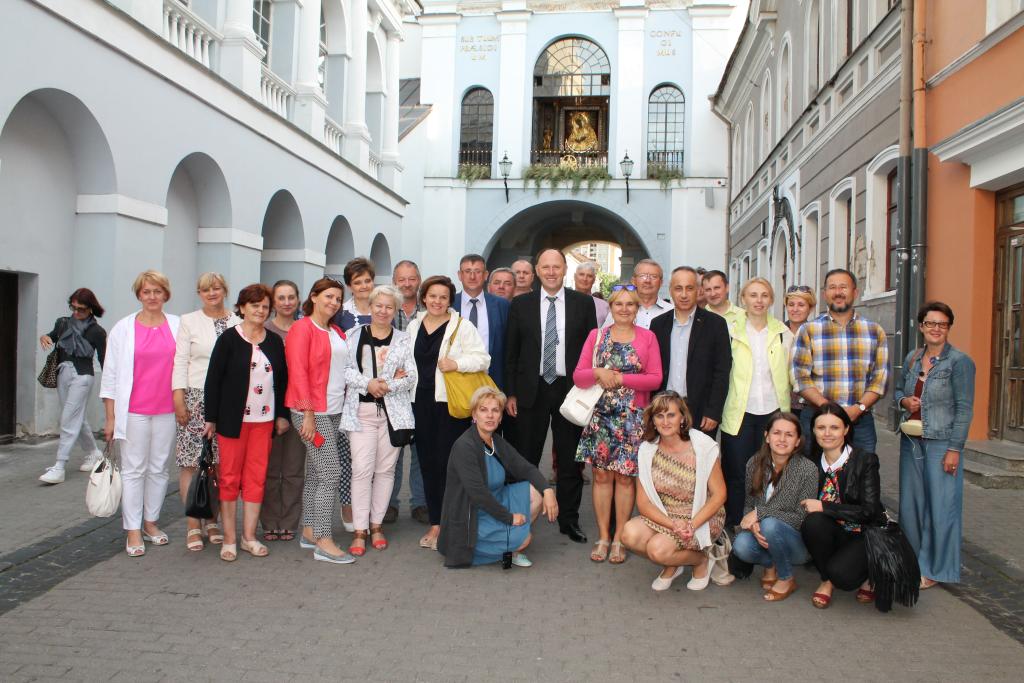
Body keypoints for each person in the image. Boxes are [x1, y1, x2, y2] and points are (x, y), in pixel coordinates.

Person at [505, 248, 598, 544]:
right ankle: (522, 515)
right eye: (545, 267)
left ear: (565, 269)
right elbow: (511, 352)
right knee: (525, 456)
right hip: (529, 390)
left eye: (556, 266)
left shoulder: (583, 303)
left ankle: (569, 520)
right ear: (537, 271)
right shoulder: (521, 304)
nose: (551, 272)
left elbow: (592, 350)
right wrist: (510, 393)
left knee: (570, 459)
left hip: (569, 390)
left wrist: (589, 390)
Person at [573, 284, 663, 563]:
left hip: (632, 418)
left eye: (630, 304)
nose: (624, 309)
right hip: (600, 416)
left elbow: (655, 379)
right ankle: (603, 536)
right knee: (601, 477)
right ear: (610, 307)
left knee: (625, 478)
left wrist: (621, 378)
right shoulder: (596, 336)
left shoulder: (648, 337)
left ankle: (620, 537)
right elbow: (578, 376)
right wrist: (598, 372)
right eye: (619, 304)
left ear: (637, 308)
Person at [203, 284, 289, 562]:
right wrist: (210, 418)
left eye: (265, 306)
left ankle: (248, 537)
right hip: (233, 422)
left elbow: (283, 381)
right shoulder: (229, 339)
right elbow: (213, 380)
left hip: (263, 421)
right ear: (242, 307)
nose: (260, 311)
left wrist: (282, 415)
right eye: (254, 305)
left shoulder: (273, 341)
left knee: (256, 479)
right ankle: (229, 539)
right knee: (229, 478)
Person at [100, 270, 181, 557]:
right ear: (139, 294)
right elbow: (110, 375)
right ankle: (132, 528)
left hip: (167, 410)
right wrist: (110, 417)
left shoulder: (177, 325)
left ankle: (151, 522)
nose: (152, 297)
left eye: (157, 291)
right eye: (146, 291)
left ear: (165, 294)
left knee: (159, 469)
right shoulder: (123, 328)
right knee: (134, 470)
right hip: (133, 410)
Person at [407, 275, 490, 550]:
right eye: (432, 296)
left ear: (449, 300)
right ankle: (436, 523)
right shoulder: (414, 326)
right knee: (427, 464)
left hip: (449, 406)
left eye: (443, 297)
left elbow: (483, 359)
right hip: (420, 403)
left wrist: (457, 363)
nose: (437, 301)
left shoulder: (462, 326)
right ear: (424, 298)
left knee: (448, 465)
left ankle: (452, 523)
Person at [895, 302, 975, 588]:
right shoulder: (913, 358)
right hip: (911, 441)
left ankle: (935, 570)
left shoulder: (959, 362)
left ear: (949, 327)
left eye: (942, 324)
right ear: (921, 327)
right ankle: (911, 563)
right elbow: (898, 391)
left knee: (941, 507)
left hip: (942, 443)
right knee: (911, 507)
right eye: (931, 323)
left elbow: (964, 409)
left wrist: (955, 449)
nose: (936, 329)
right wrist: (904, 401)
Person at [438, 387, 559, 568]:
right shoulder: (465, 446)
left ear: (501, 417)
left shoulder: (495, 441)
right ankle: (508, 542)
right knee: (525, 539)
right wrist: (510, 518)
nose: (490, 416)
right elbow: (479, 495)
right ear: (474, 415)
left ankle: (508, 539)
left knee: (536, 493)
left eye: (495, 410)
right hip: (473, 516)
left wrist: (548, 490)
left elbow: (524, 467)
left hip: (496, 501)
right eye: (483, 410)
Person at [620, 392, 727, 591]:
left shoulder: (703, 446)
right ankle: (677, 561)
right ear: (653, 421)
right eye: (659, 416)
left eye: (671, 415)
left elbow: (719, 495)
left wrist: (692, 524)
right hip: (666, 514)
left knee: (657, 550)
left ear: (682, 418)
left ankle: (701, 560)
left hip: (701, 516)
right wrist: (673, 524)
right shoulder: (646, 450)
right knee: (628, 535)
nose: (665, 421)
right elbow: (643, 503)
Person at [341, 285, 417, 556]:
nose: (383, 311)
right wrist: (368, 383)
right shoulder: (353, 335)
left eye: (389, 307)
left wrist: (387, 386)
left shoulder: (404, 339)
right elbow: (345, 370)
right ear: (370, 307)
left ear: (395, 310)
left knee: (385, 471)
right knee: (362, 469)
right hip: (361, 412)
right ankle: (359, 530)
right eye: (379, 305)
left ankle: (376, 526)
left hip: (392, 414)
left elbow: (411, 376)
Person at [286, 278, 355, 565]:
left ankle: (310, 531)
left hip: (334, 409)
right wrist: (308, 414)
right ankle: (324, 541)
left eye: (338, 298)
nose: (333, 302)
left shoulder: (335, 331)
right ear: (314, 297)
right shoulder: (302, 328)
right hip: (312, 412)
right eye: (328, 296)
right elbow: (298, 372)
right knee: (330, 473)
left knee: (316, 473)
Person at [172, 272, 240, 551]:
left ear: (225, 290)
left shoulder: (237, 321)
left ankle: (212, 521)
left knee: (221, 464)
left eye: (216, 288)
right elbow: (180, 361)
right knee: (192, 463)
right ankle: (193, 524)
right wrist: (178, 397)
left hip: (227, 400)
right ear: (199, 293)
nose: (211, 293)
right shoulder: (189, 321)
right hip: (195, 397)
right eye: (205, 289)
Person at [719, 278, 794, 529]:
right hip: (739, 412)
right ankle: (734, 523)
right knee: (736, 472)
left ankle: (766, 520)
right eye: (753, 295)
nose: (759, 300)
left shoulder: (783, 333)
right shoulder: (729, 331)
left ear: (771, 299)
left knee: (769, 471)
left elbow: (793, 373)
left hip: (774, 412)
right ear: (743, 299)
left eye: (764, 295)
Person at [792, 269, 889, 454]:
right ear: (825, 294)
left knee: (861, 470)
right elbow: (799, 377)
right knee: (813, 471)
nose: (838, 292)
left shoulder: (874, 331)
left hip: (860, 421)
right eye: (832, 287)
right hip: (816, 418)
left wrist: (858, 408)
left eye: (843, 287)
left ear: (855, 292)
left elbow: (880, 379)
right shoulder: (808, 330)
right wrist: (827, 408)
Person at [799, 402, 885, 608]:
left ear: (846, 429)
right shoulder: (810, 463)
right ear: (813, 430)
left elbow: (870, 511)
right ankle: (826, 580)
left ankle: (870, 572)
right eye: (821, 427)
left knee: (844, 577)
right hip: (834, 532)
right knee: (812, 523)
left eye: (834, 427)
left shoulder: (865, 460)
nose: (827, 433)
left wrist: (824, 507)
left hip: (863, 533)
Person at [731, 411, 819, 601]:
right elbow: (748, 505)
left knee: (770, 524)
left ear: (798, 441)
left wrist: (761, 514)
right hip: (764, 536)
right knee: (741, 545)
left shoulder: (808, 469)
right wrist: (754, 526)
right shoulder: (754, 463)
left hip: (796, 543)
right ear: (767, 436)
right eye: (777, 433)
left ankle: (786, 577)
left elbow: (803, 518)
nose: (782, 439)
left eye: (789, 434)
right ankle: (770, 566)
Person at [650, 267, 732, 437]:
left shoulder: (716, 324)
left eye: (689, 288)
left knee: (699, 454)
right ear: (670, 291)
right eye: (678, 288)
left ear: (698, 290)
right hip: (664, 409)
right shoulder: (658, 324)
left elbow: (722, 371)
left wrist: (713, 411)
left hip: (701, 411)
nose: (684, 294)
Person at [37, 288, 107, 483]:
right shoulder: (62, 323)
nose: (76, 312)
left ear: (91, 308)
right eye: (73, 307)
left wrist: (110, 387)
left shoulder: (97, 332)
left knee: (68, 418)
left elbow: (104, 360)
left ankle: (60, 466)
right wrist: (45, 337)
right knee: (76, 416)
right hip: (63, 372)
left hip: (82, 376)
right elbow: (52, 336)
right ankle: (94, 452)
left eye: (81, 309)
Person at [260, 280, 305, 542]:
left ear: (298, 299)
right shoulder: (264, 330)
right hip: (267, 407)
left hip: (299, 407)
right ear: (273, 302)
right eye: (281, 298)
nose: (287, 303)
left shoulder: (304, 328)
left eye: (291, 297)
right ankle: (269, 521)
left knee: (293, 469)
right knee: (268, 469)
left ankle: (288, 521)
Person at [389, 260, 428, 524]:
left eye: (412, 279)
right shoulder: (387, 308)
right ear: (394, 281)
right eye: (401, 279)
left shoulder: (429, 310)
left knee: (420, 451)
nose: (406, 284)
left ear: (419, 280)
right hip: (392, 391)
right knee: (392, 451)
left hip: (421, 390)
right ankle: (388, 503)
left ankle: (420, 502)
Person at [456, 253, 510, 389]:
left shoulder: (502, 306)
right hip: (456, 381)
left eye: (477, 271)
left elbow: (510, 349)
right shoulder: (449, 304)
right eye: (467, 271)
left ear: (486, 275)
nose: (472, 276)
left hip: (493, 381)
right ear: (460, 275)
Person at [602, 259, 671, 329]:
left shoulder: (671, 311)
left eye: (654, 276)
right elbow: (604, 334)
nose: (647, 281)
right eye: (642, 276)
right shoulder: (620, 311)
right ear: (633, 281)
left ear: (661, 282)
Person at [783, 285, 816, 413]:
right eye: (791, 305)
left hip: (808, 404)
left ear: (810, 308)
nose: (795, 309)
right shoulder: (776, 333)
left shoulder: (816, 333)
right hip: (781, 403)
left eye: (801, 305)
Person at [332, 257, 375, 332]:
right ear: (349, 286)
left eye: (367, 281)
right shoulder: (340, 313)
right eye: (357, 283)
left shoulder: (384, 310)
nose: (364, 286)